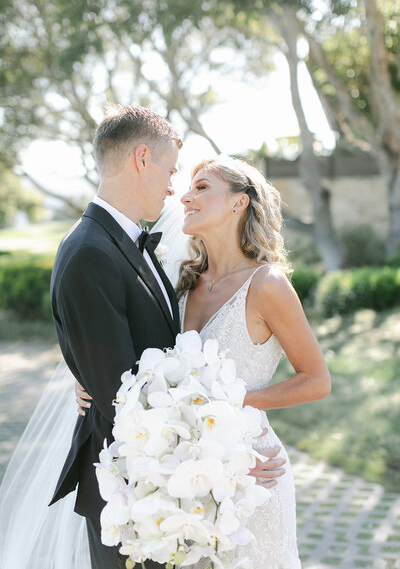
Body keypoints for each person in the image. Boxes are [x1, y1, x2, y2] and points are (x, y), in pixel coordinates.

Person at [0, 105, 285, 569]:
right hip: (138, 496)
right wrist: (223, 464)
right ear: (141, 159)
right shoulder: (90, 251)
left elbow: (135, 362)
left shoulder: (124, 241)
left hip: (162, 493)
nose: (174, 188)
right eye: (171, 170)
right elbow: (118, 400)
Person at [76, 153, 331, 567]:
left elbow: (317, 380)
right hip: (188, 470)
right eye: (188, 188)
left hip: (251, 468)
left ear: (239, 202)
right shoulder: (182, 283)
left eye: (202, 187)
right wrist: (88, 373)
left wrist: (227, 407)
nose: (185, 198)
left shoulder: (267, 284)